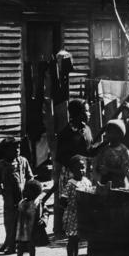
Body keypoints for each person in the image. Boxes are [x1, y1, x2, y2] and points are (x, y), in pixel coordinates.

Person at [51, 99, 97, 233]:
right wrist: (75, 165)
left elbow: (90, 150)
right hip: (71, 173)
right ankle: (69, 231)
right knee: (71, 203)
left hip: (84, 171)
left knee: (85, 201)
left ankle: (81, 229)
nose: (89, 114)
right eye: (86, 111)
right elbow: (60, 156)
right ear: (77, 114)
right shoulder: (66, 133)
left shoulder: (86, 129)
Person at [0, 136, 33, 254]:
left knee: (23, 220)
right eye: (13, 149)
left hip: (22, 196)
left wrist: (30, 189)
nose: (17, 150)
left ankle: (22, 244)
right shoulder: (1, 164)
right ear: (5, 151)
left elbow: (30, 177)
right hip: (9, 197)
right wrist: (1, 191)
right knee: (10, 221)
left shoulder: (23, 161)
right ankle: (10, 245)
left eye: (18, 148)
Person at [59, 155, 93, 256]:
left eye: (83, 168)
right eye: (78, 168)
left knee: (77, 238)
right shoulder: (70, 184)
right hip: (73, 215)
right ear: (72, 170)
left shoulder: (87, 182)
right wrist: (70, 208)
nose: (81, 170)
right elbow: (63, 200)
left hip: (83, 215)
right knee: (72, 239)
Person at [15, 179, 46, 256]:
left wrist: (42, 220)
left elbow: (42, 214)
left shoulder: (37, 203)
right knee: (20, 246)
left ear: (34, 193)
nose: (24, 192)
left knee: (31, 246)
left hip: (32, 229)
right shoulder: (22, 202)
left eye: (27, 190)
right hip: (21, 229)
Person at [93, 119, 129, 189]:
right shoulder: (104, 149)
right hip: (104, 185)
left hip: (119, 186)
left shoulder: (124, 151)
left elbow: (126, 172)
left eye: (110, 132)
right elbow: (97, 167)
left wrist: (109, 170)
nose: (107, 134)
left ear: (119, 134)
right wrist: (99, 168)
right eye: (107, 132)